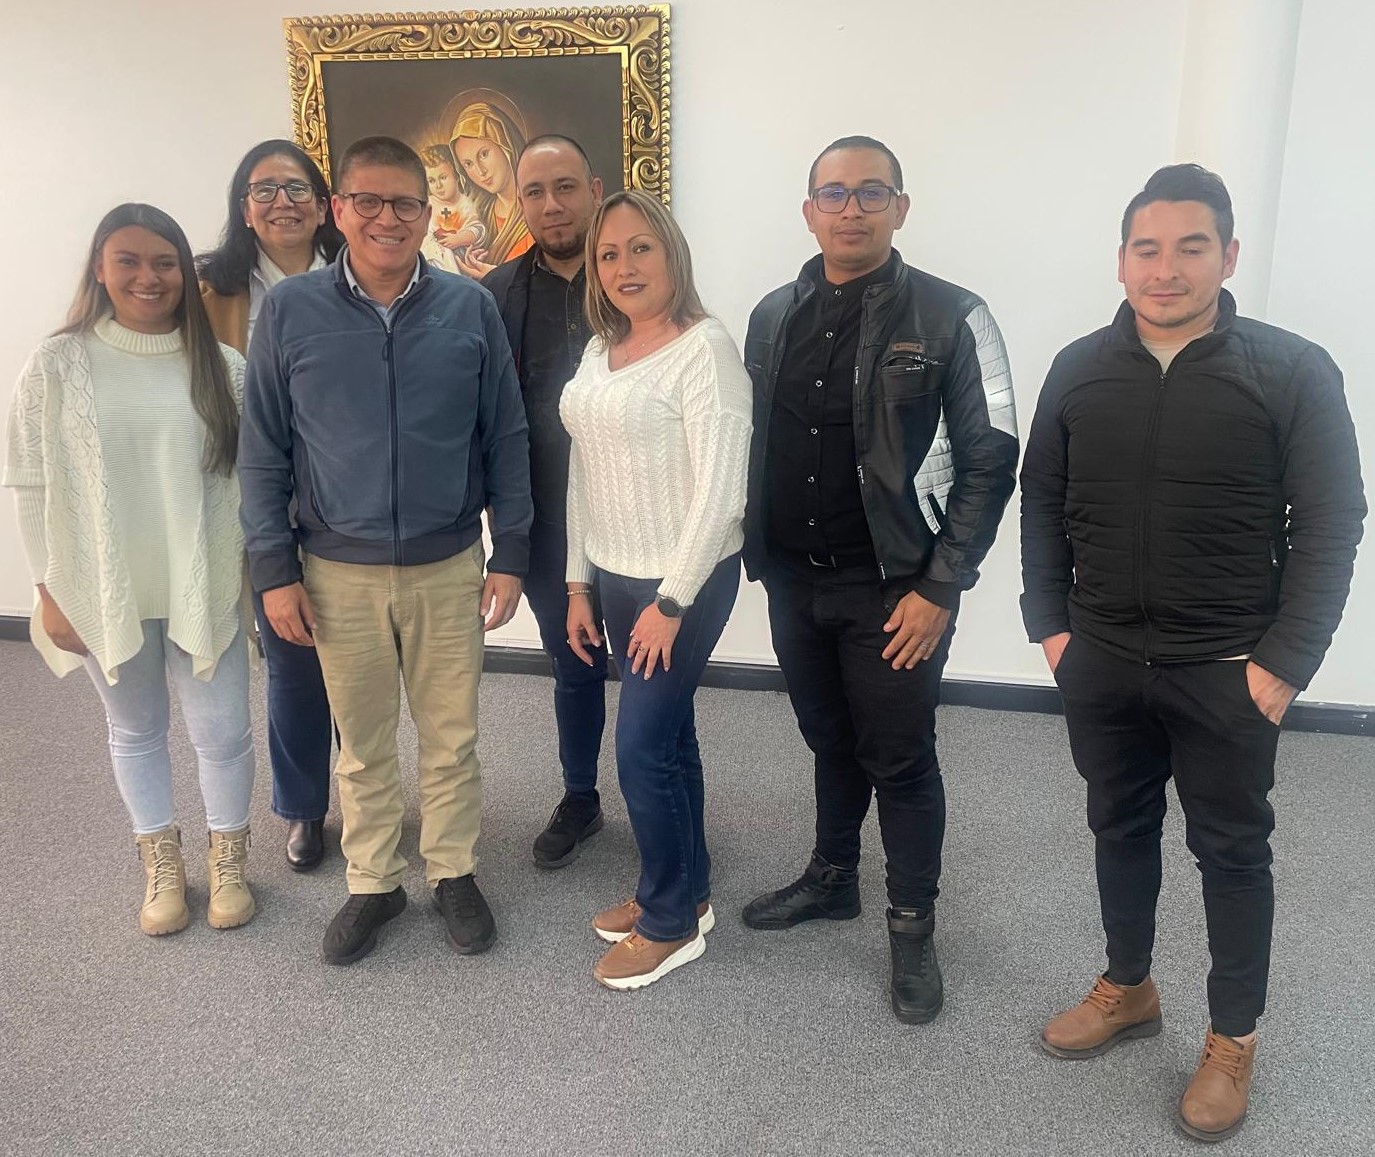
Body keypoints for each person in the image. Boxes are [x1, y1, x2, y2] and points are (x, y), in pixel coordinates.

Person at [1021, 163, 1365, 1142]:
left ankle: (1230, 1039)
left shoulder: (1290, 369)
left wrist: (1283, 663)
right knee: (1118, 825)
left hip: (1226, 668)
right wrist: (1051, 627)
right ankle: (1127, 986)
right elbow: (1041, 499)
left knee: (1231, 851)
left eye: (1189, 247)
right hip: (1100, 657)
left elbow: (1331, 520)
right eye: (1147, 248)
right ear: (1121, 259)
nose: (1165, 268)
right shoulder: (1077, 367)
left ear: (1228, 255)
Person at [739, 136, 1018, 1024]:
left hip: (896, 588)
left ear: (900, 206)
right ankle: (832, 878)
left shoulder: (953, 315)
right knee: (828, 739)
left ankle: (911, 926)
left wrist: (942, 586)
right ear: (808, 210)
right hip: (794, 580)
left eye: (870, 192)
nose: (850, 208)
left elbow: (991, 455)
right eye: (833, 192)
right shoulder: (770, 315)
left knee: (898, 758)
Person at [238, 136, 532, 965]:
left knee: (450, 735)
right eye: (366, 201)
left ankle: (452, 869)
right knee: (363, 743)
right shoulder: (290, 311)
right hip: (336, 569)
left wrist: (510, 549)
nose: (386, 218)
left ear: (426, 214)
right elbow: (263, 451)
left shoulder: (468, 307)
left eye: (404, 202)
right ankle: (373, 880)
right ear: (338, 210)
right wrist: (275, 571)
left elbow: (505, 434)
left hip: (448, 564)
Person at [4, 203, 255, 936]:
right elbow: (30, 482)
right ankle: (161, 861)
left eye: (164, 263)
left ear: (183, 272)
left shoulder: (225, 368)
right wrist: (47, 591)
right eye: (129, 261)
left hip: (204, 577)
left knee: (224, 731)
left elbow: (251, 482)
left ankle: (229, 858)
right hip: (101, 582)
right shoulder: (57, 363)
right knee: (136, 729)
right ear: (99, 268)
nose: (149, 277)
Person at [562, 189, 751, 990]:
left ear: (671, 253)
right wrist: (577, 581)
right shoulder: (599, 349)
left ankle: (669, 921)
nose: (624, 266)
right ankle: (687, 888)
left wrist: (669, 602)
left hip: (685, 580)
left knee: (640, 748)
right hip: (612, 572)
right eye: (608, 254)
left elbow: (722, 493)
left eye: (640, 247)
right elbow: (583, 468)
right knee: (669, 737)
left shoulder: (705, 349)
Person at [197, 138, 344, 872]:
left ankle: (367, 796)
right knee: (291, 666)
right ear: (244, 208)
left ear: (323, 205)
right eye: (264, 189)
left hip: (348, 504)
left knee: (359, 667)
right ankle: (304, 808)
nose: (282, 202)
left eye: (296, 188)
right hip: (259, 502)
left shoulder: (357, 275)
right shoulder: (210, 292)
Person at [483, 134, 609, 869]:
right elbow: (483, 418)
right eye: (534, 191)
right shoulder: (493, 294)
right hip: (543, 521)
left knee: (656, 673)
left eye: (565, 187)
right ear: (519, 201)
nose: (551, 204)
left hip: (636, 517)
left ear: (594, 190)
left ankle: (668, 798)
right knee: (573, 661)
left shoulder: (633, 276)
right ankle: (580, 796)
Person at [449, 100, 534, 278]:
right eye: (468, 164)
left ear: (506, 145)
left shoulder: (540, 209)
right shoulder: (478, 214)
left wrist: (495, 276)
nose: (480, 171)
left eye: (484, 154)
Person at [418, 144, 485, 275]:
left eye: (443, 178)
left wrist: (460, 238)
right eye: (431, 181)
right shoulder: (427, 203)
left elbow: (478, 230)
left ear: (457, 176)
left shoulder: (465, 204)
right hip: (429, 260)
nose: (438, 186)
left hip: (456, 264)